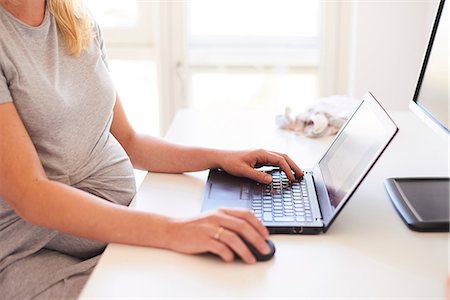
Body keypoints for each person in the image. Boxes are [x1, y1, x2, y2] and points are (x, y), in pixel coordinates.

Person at [0, 0, 303, 299]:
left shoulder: (74, 18)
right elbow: (32, 196)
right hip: (34, 252)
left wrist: (220, 158)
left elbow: (129, 141)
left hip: (118, 229)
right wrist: (175, 230)